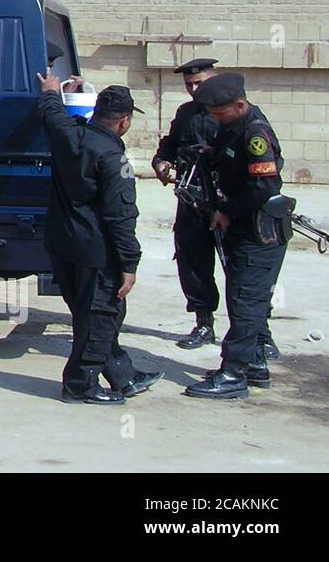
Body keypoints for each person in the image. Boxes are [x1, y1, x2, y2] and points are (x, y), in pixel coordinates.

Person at [35, 73, 163, 404]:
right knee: (103, 315)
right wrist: (129, 264)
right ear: (125, 121)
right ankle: (80, 386)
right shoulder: (114, 158)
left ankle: (123, 375)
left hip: (62, 244)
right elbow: (120, 217)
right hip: (95, 251)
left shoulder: (68, 134)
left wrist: (52, 90)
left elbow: (51, 113)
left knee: (87, 313)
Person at [185, 73, 286, 400]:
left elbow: (264, 186)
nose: (214, 120)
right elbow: (232, 158)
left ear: (239, 105)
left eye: (218, 114)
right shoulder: (236, 127)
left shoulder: (256, 133)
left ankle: (233, 375)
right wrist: (212, 150)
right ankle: (254, 363)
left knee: (245, 302)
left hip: (258, 232)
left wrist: (227, 211)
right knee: (245, 299)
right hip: (245, 230)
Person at [150, 57, 221, 349]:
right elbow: (170, 142)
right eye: (189, 85)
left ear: (214, 79)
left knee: (241, 268)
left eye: (199, 83)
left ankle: (258, 333)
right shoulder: (186, 113)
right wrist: (161, 161)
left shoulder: (235, 111)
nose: (194, 90)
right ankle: (204, 324)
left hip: (228, 203)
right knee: (192, 261)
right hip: (192, 200)